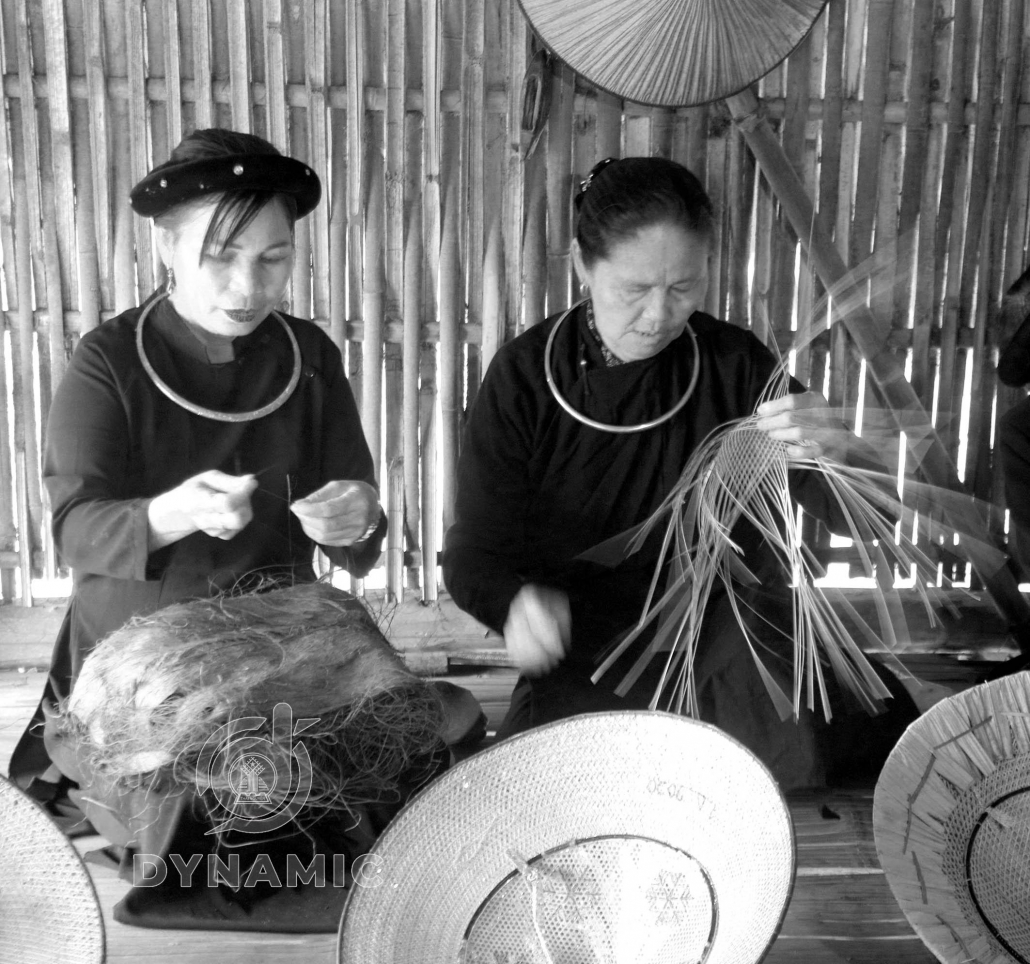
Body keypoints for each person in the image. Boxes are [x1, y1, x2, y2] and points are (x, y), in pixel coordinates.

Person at [443, 156, 917, 790]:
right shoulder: (527, 379)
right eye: (634, 290)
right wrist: (514, 603)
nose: (660, 315)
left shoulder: (732, 364)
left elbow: (867, 513)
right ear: (584, 265)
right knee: (574, 789)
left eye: (684, 288)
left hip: (731, 638)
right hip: (591, 648)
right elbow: (474, 551)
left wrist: (837, 448)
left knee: (846, 750)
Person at [10, 129, 386, 801]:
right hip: (142, 639)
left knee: (383, 749)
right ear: (167, 247)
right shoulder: (110, 359)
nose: (249, 285)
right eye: (221, 256)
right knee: (203, 786)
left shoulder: (310, 356)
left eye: (275, 258)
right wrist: (170, 513)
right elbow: (73, 525)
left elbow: (357, 506)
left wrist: (354, 518)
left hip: (281, 630)